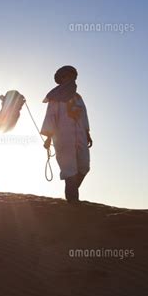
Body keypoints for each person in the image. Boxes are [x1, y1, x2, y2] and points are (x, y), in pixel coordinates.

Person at [40, 66, 92, 203]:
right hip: (63, 136)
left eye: (73, 76)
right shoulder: (55, 97)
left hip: (80, 135)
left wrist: (87, 133)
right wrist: (48, 137)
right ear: (62, 79)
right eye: (68, 76)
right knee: (69, 169)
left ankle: (72, 192)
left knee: (84, 166)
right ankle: (73, 201)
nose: (72, 79)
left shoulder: (78, 97)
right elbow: (51, 117)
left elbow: (84, 116)